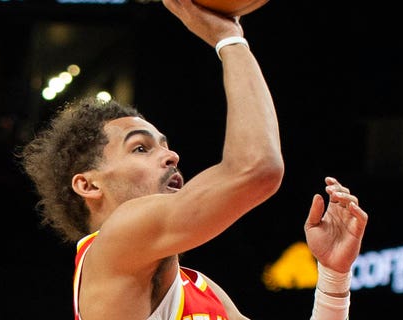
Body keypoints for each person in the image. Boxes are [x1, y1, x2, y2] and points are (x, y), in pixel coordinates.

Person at [20, 0, 368, 319]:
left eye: (165, 145)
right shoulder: (114, 242)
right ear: (88, 183)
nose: (171, 156)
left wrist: (334, 279)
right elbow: (257, 169)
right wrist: (229, 39)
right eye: (141, 148)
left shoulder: (202, 290)